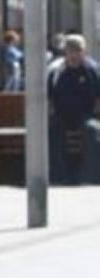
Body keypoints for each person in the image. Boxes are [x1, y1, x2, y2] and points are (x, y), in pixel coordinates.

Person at [48, 34, 100, 184]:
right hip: (61, 116)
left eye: (78, 51)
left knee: (93, 132)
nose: (74, 55)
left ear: (83, 52)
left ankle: (90, 178)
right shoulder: (56, 70)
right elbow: (49, 97)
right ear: (65, 52)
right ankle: (58, 178)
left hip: (86, 116)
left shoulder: (93, 70)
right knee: (52, 132)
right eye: (71, 51)